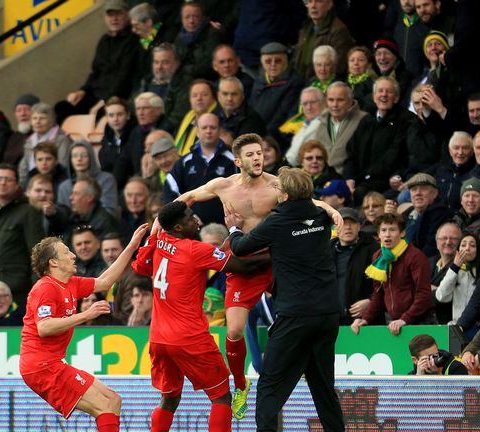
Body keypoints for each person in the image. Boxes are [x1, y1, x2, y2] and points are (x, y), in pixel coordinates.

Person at [176, 133, 341, 419]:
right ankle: (240, 385)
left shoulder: (278, 184)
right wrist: (159, 221)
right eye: (251, 154)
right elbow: (188, 197)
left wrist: (331, 210)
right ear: (238, 161)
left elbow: (308, 200)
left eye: (260, 153)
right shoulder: (223, 186)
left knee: (291, 326)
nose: (257, 158)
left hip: (276, 263)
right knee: (234, 330)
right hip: (243, 266)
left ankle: (291, 374)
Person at [225, 167, 345, 431]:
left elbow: (240, 247)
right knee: (323, 387)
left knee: (268, 386)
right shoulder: (321, 216)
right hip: (327, 314)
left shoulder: (278, 221)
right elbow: (317, 207)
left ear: (286, 195)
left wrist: (234, 228)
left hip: (295, 316)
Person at [133, 201, 256, 430]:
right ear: (178, 227)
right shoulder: (196, 250)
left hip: (159, 339)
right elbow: (245, 268)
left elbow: (141, 266)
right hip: (190, 338)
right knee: (221, 396)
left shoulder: (158, 242)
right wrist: (279, 256)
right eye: (190, 218)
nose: (196, 220)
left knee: (170, 398)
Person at [19, 223, 148, 432]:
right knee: (104, 406)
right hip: (41, 367)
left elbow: (105, 281)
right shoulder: (45, 288)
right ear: (53, 262)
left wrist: (132, 245)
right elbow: (44, 327)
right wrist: (86, 315)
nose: (73, 256)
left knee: (113, 400)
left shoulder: (70, 283)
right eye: (66, 252)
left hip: (52, 363)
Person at [351, 212, 436, 335]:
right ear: (378, 234)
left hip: (421, 320)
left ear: (402, 233)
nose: (387, 234)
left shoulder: (415, 256)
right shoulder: (379, 256)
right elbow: (378, 293)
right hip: (394, 321)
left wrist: (405, 319)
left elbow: (423, 294)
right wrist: (365, 318)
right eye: (383, 230)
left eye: (392, 230)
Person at [56, 0, 139, 123]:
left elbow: (124, 78)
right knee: (61, 108)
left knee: (101, 114)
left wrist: (104, 102)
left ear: (127, 15)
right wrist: (82, 91)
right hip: (95, 94)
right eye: (110, 15)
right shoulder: (104, 41)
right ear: (105, 18)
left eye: (118, 14)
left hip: (116, 97)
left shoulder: (133, 41)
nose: (114, 19)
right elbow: (95, 72)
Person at [0, 164, 45, 308]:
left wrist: (37, 292)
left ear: (16, 185)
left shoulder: (28, 212)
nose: (2, 183)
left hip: (18, 294)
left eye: (8, 179)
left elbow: (38, 255)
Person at [164, 113, 237, 225]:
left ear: (219, 131)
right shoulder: (184, 162)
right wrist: (186, 215)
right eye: (204, 127)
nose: (208, 131)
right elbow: (171, 191)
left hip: (226, 227)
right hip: (192, 229)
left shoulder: (233, 160)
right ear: (197, 132)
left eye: (213, 127)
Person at [249, 42, 303, 139]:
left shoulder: (294, 82)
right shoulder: (259, 81)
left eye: (278, 61)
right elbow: (251, 109)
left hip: (273, 137)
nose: (273, 65)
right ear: (262, 63)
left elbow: (282, 115)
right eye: (268, 61)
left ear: (286, 61)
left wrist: (263, 136)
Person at [292, 0, 354, 79]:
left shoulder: (339, 30)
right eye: (310, 1)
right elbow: (296, 60)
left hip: (321, 83)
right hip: (300, 82)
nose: (313, 6)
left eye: (319, 1)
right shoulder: (306, 28)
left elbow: (339, 67)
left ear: (329, 5)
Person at [435, 233, 480, 326]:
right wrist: (454, 268)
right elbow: (441, 296)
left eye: (472, 245)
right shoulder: (454, 270)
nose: (467, 248)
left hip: (478, 326)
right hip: (457, 325)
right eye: (463, 245)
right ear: (458, 250)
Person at [401, 172, 453, 257]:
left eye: (423, 189)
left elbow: (431, 248)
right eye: (414, 189)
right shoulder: (407, 214)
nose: (418, 193)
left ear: (435, 193)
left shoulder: (441, 214)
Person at [432, 131, 476, 212]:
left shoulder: (476, 173)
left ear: (472, 151)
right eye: (456, 148)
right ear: (450, 151)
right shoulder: (441, 169)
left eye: (465, 148)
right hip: (437, 215)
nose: (460, 152)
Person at [453, 178, 480, 252]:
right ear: (461, 201)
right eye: (467, 196)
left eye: (475, 196)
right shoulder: (457, 218)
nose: (470, 200)